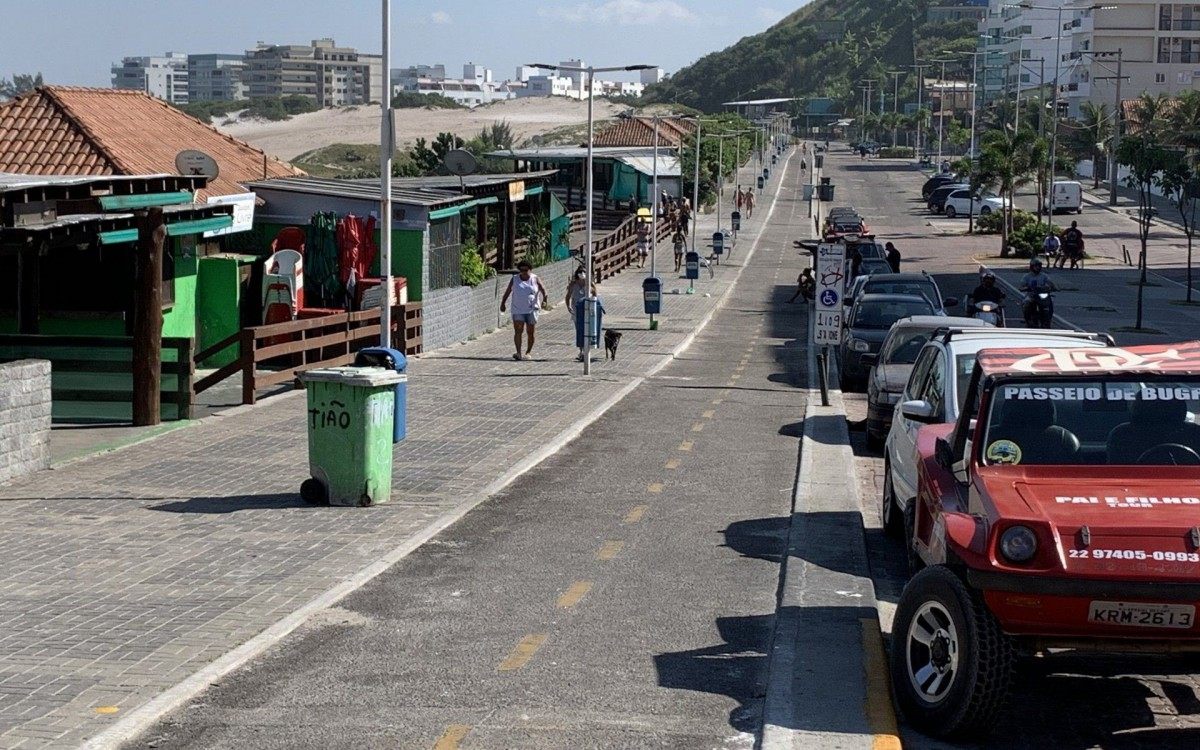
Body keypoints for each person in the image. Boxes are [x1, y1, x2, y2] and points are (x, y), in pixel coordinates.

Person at [500, 260, 548, 361]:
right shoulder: (515, 279)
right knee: (518, 331)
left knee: (530, 332)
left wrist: (545, 300)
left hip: (532, 309)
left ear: (530, 270)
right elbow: (508, 292)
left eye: (526, 270)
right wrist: (503, 303)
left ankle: (528, 352)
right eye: (521, 270)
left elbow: (543, 290)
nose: (524, 272)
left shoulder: (535, 279)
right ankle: (518, 353)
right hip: (518, 309)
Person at [565, 267, 597, 362]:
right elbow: (568, 297)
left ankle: (586, 351)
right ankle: (582, 351)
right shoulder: (573, 285)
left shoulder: (590, 284)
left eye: (584, 272)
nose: (582, 273)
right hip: (576, 311)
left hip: (587, 310)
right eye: (580, 272)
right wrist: (568, 307)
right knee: (579, 331)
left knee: (587, 331)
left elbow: (595, 295)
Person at [1020, 258, 1057, 324]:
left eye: (1039, 266)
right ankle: (1027, 319)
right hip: (1031, 295)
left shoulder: (1044, 276)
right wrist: (1026, 288)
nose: (1038, 267)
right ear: (1032, 267)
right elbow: (1021, 286)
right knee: (1026, 302)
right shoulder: (1027, 276)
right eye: (1036, 266)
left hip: (1042, 295)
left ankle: (1049, 319)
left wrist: (1054, 287)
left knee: (1051, 301)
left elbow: (1050, 283)